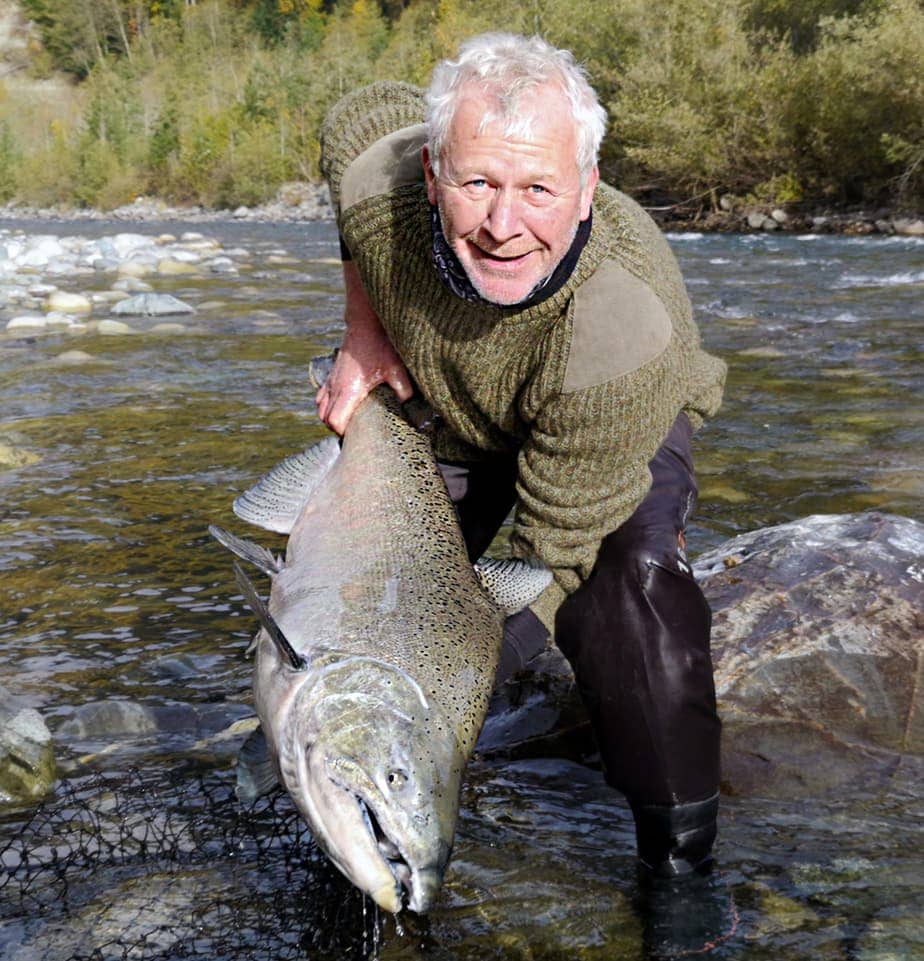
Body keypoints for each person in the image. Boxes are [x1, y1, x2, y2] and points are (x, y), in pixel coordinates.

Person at [316, 32, 733, 953]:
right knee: (359, 592)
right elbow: (351, 118)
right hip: (450, 407)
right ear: (431, 174)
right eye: (477, 185)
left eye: (539, 190)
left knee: (626, 588)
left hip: (597, 419)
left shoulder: (625, 319)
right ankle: (340, 812)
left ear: (587, 188)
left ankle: (681, 866)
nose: (505, 223)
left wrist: (429, 707)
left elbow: (546, 554)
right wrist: (362, 329)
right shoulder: (382, 182)